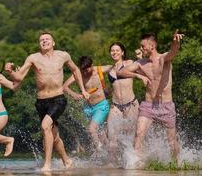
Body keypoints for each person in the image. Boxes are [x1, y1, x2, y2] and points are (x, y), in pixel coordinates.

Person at [4, 31, 89, 171]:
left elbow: (76, 70)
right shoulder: (33, 58)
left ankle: (47, 164)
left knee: (45, 127)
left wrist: (83, 90)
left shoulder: (63, 55)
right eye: (41, 40)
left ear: (53, 42)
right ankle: (67, 162)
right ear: (39, 44)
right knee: (54, 137)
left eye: (47, 39)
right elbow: (19, 78)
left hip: (58, 99)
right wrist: (10, 71)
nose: (44, 41)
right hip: (41, 102)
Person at [117, 30, 184, 167]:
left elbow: (173, 51)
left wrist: (176, 42)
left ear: (152, 45)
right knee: (139, 134)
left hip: (166, 106)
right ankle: (135, 165)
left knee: (171, 141)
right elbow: (121, 72)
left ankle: (178, 163)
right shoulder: (141, 63)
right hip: (148, 106)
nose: (141, 49)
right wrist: (138, 76)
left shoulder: (163, 59)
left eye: (143, 46)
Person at [103, 42, 140, 166]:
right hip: (115, 106)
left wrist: (140, 57)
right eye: (112, 50)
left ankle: (133, 162)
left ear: (122, 52)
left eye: (117, 50)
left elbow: (143, 66)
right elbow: (113, 86)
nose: (114, 52)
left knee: (132, 136)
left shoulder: (129, 63)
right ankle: (112, 164)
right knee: (112, 138)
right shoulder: (110, 69)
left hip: (131, 105)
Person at [63, 56, 110, 150]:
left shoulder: (99, 70)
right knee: (100, 133)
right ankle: (109, 152)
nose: (85, 72)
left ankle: (99, 152)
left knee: (91, 129)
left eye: (87, 69)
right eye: (82, 70)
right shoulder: (79, 74)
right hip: (88, 108)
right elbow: (64, 87)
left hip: (101, 105)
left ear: (92, 65)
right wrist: (74, 94)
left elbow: (114, 67)